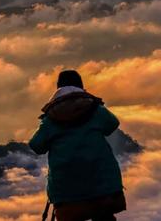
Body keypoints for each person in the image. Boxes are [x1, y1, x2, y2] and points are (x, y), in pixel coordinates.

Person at [29, 70, 126, 221]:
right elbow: (112, 124)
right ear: (81, 86)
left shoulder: (50, 119)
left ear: (58, 88)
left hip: (67, 193)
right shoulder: (96, 110)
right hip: (102, 186)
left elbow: (36, 145)